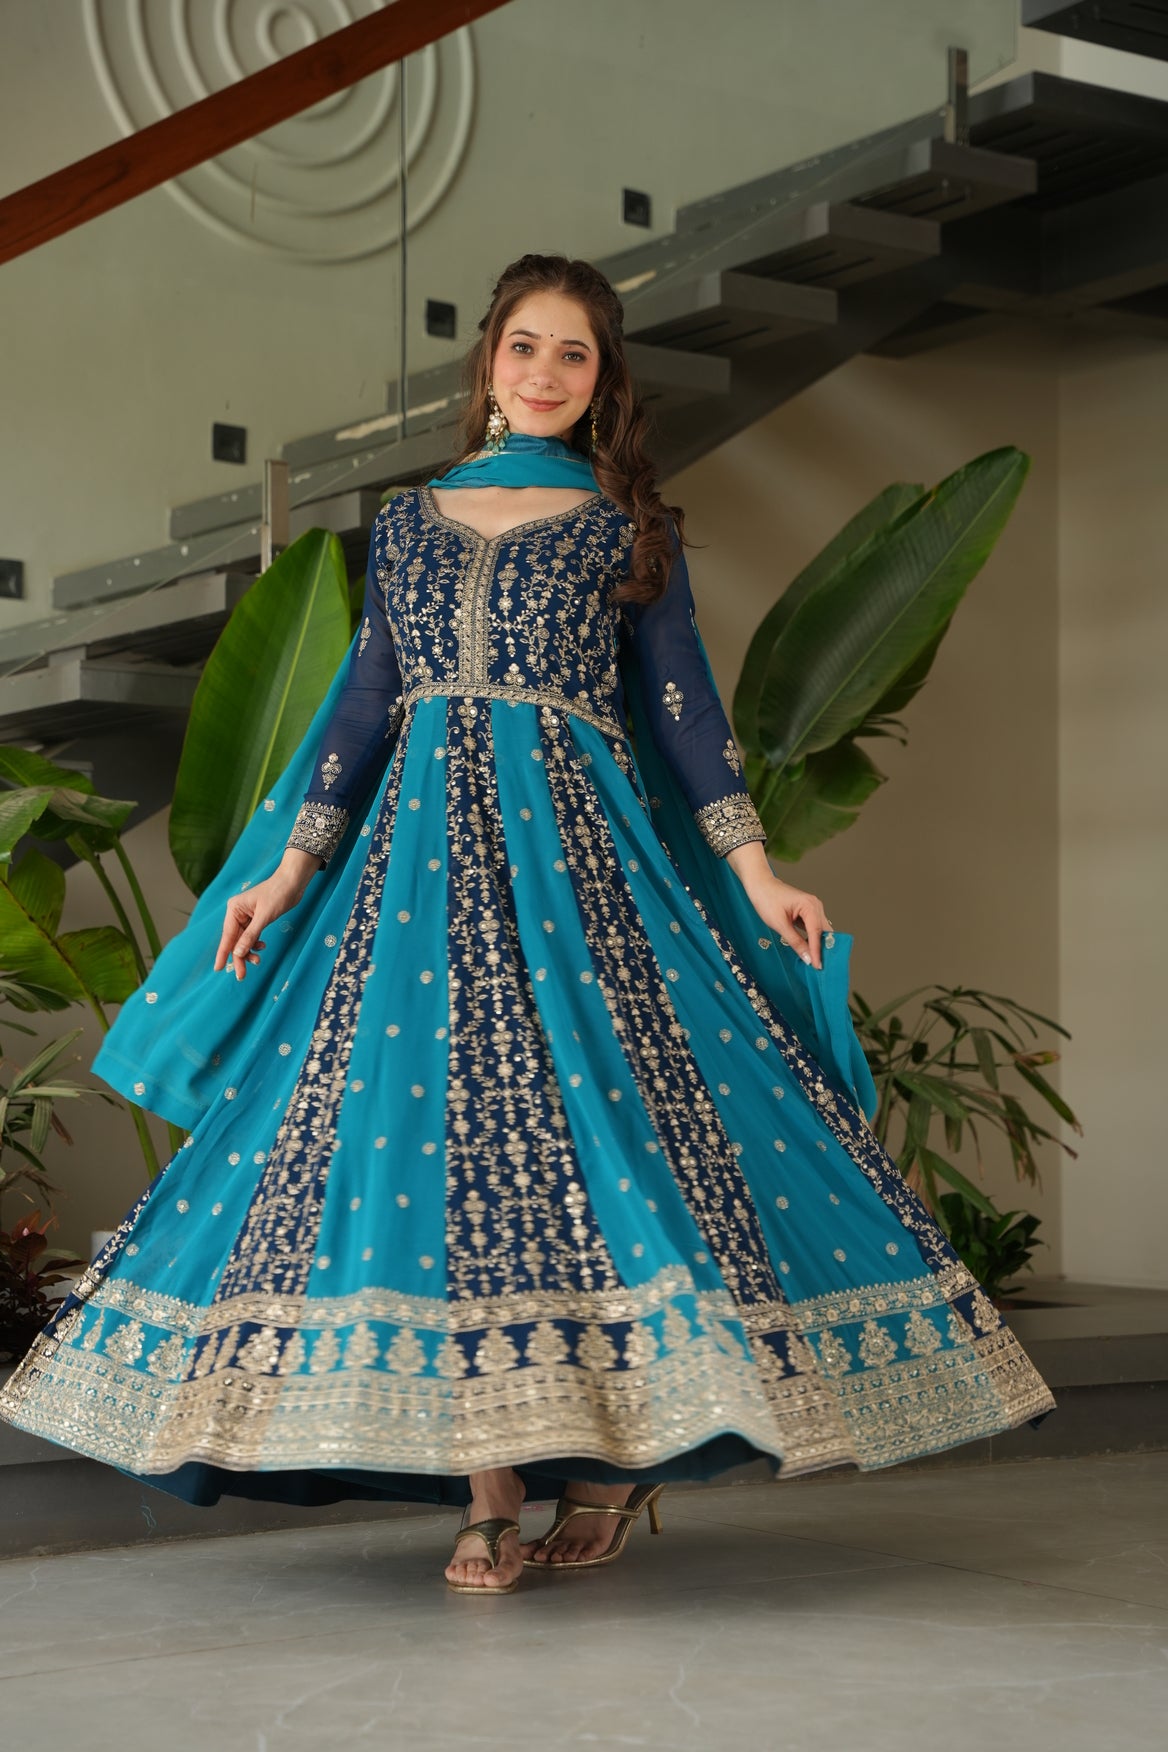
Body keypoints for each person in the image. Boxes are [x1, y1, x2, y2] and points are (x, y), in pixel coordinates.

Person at [0, 253, 1056, 1597]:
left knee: (613, 1142)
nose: (546, 373)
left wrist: (755, 867)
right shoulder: (409, 522)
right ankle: (489, 1491)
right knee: (426, 1155)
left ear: (604, 382)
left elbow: (684, 715)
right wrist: (283, 872)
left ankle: (610, 1473)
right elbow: (361, 708)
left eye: (575, 355)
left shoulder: (629, 525)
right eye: (525, 348)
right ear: (487, 364)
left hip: (580, 871)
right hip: (414, 880)